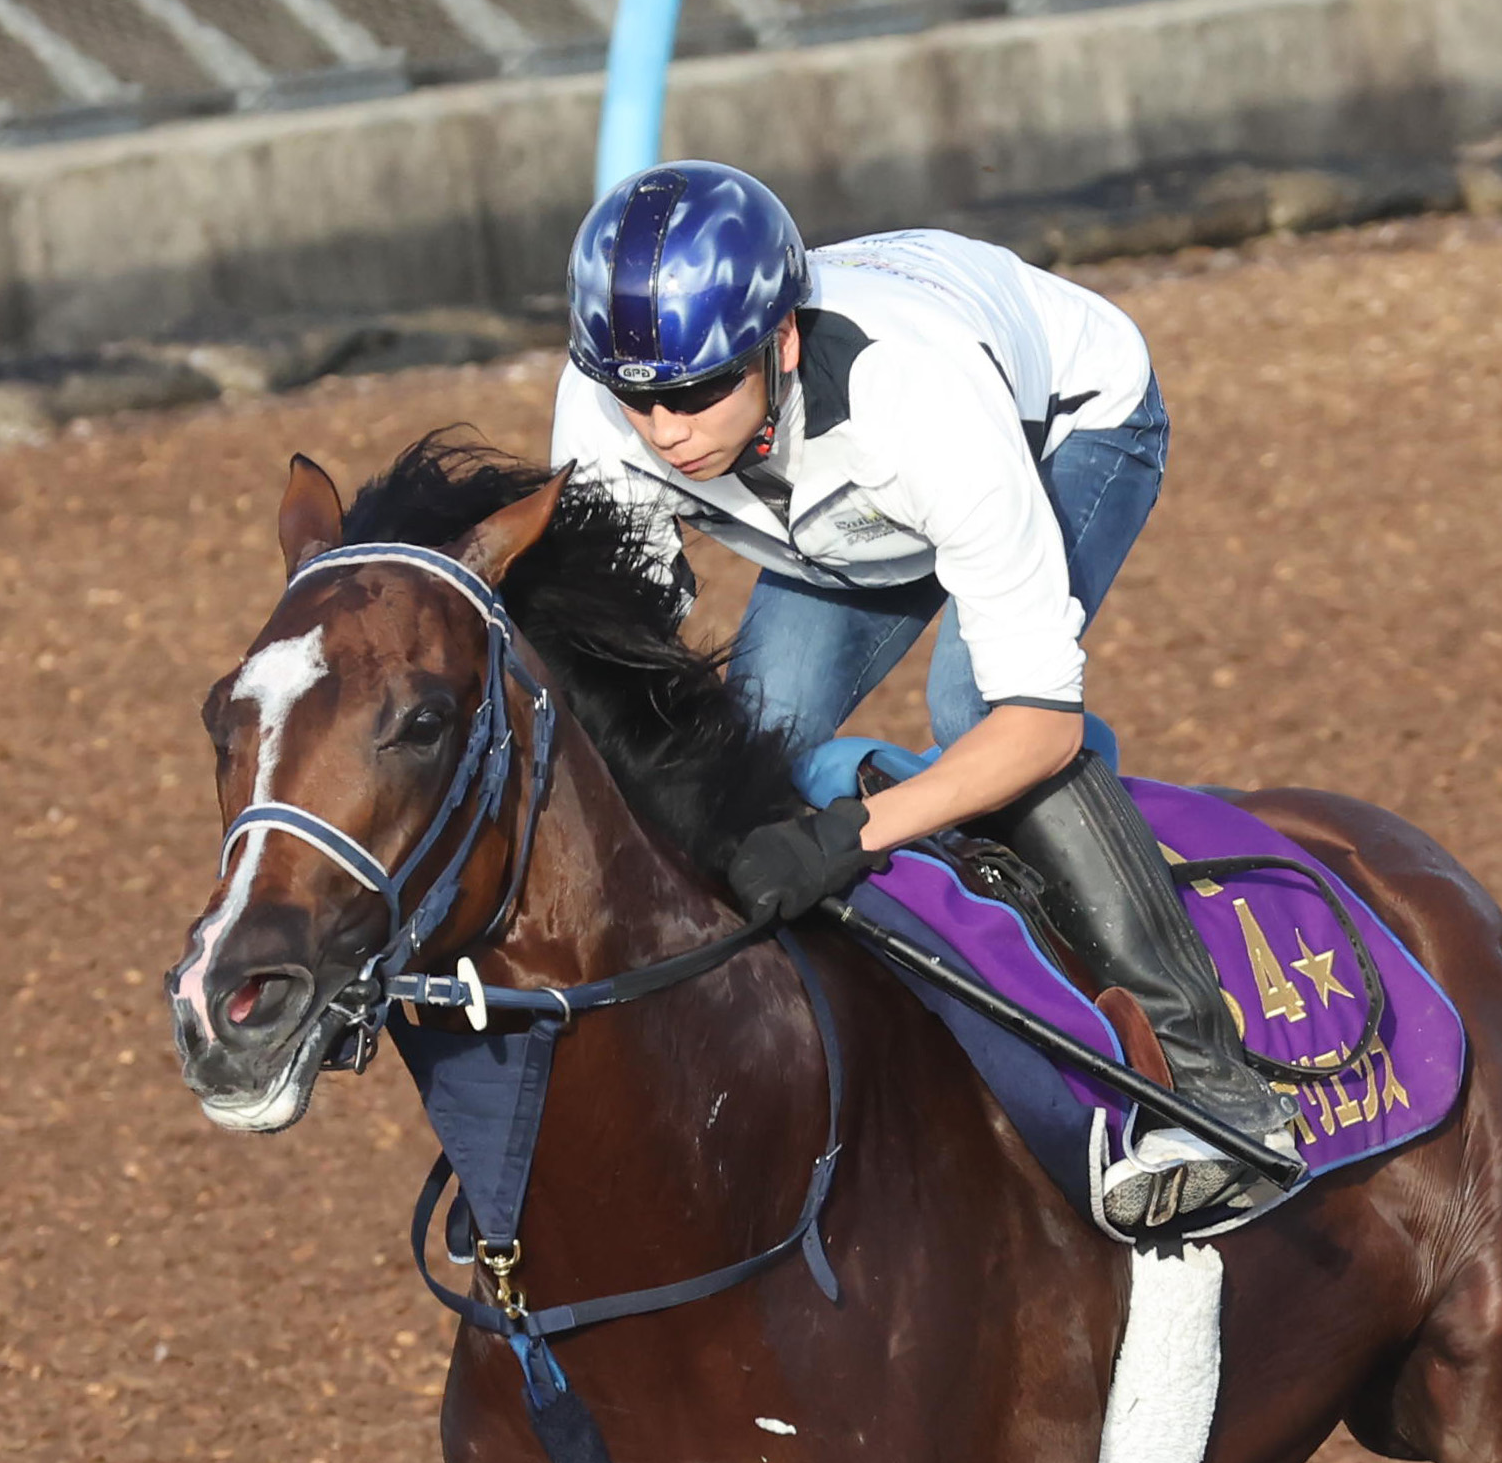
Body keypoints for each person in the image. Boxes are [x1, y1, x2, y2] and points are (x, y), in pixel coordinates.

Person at [549, 159, 1299, 1233]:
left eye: (699, 391)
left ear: (784, 342)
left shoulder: (920, 402)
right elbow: (626, 675)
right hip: (836, 524)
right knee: (725, 760)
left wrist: (851, 833)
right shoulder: (601, 406)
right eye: (642, 399)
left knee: (975, 714)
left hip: (1062, 429)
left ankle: (1221, 1097)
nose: (665, 430)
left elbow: (1033, 728)